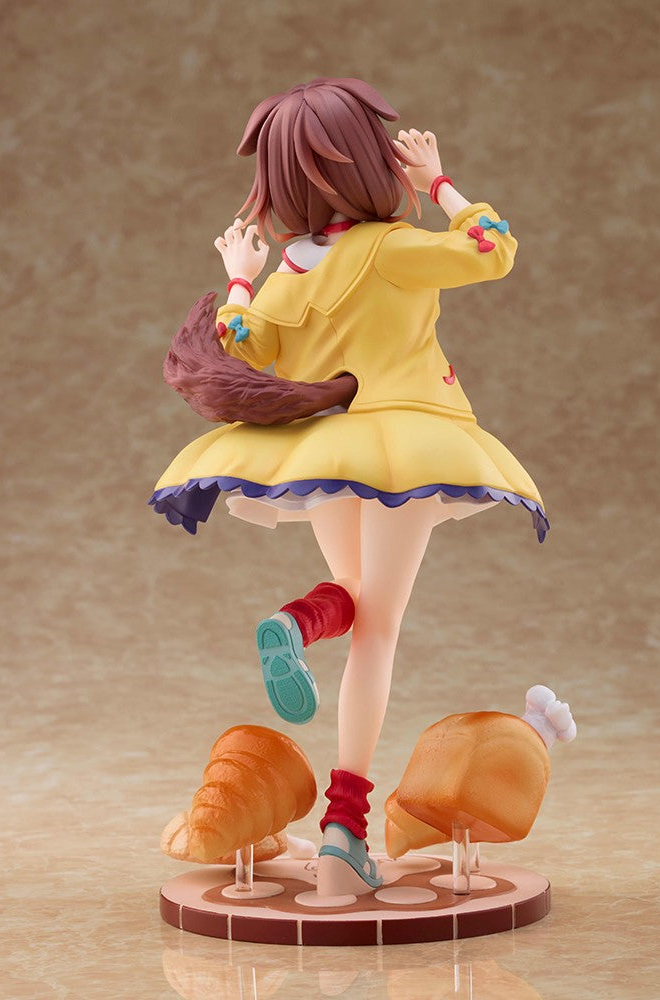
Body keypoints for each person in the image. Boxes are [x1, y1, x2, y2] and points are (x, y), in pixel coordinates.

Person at [150, 78, 548, 898]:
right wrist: (439, 180)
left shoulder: (290, 271)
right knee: (380, 630)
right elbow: (494, 248)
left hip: (324, 450)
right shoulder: (392, 247)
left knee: (356, 600)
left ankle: (299, 621)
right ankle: (344, 837)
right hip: (405, 446)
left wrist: (239, 275)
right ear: (370, 160)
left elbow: (243, 344)